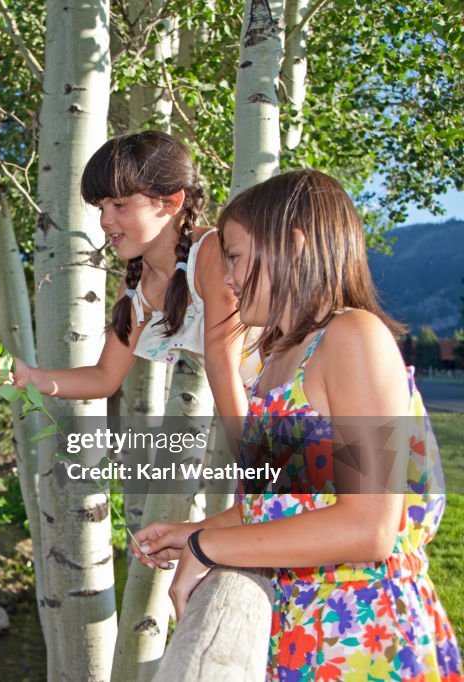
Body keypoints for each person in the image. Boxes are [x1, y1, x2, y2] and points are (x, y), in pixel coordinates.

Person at [133, 169, 462, 681]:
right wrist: (192, 531)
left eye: (237, 257)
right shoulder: (279, 361)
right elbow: (285, 503)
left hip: (363, 640)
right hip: (300, 635)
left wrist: (208, 547)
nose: (227, 277)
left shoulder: (353, 337)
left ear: (295, 245)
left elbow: (368, 526)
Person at [4, 130, 251, 428]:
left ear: (171, 202)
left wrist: (251, 463)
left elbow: (221, 365)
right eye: (101, 207)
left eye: (119, 204)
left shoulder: (212, 253)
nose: (105, 220)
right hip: (265, 405)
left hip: (304, 389)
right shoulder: (137, 288)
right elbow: (105, 377)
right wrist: (31, 376)